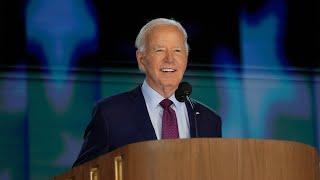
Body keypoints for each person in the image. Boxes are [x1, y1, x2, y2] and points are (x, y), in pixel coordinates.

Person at [73, 18, 222, 167]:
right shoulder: (110, 114)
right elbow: (83, 173)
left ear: (186, 58)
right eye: (159, 50)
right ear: (141, 59)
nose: (169, 59)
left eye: (177, 50)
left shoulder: (209, 120)